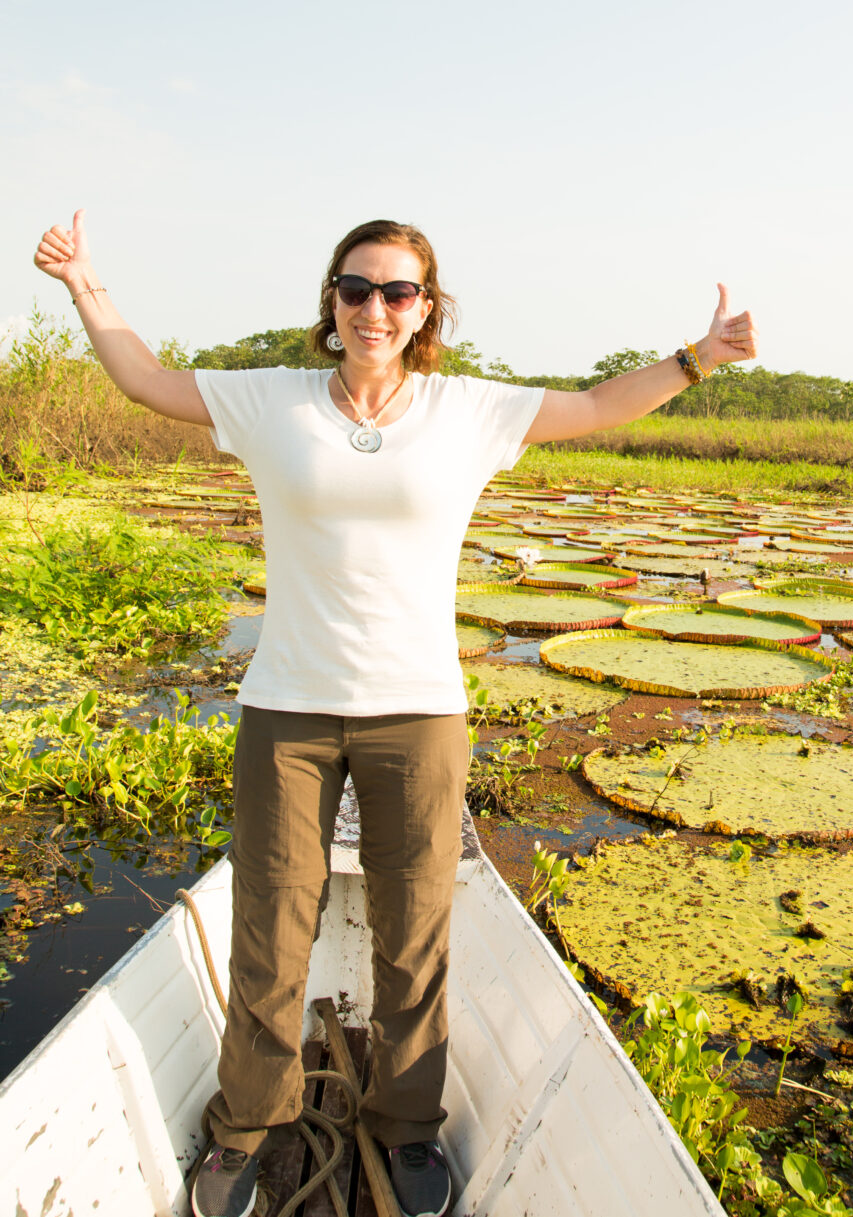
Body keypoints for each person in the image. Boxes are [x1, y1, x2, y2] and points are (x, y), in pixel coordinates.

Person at [34, 210, 757, 1217]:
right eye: (357, 288)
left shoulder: (467, 410)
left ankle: (407, 1123)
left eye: (398, 291)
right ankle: (248, 1121)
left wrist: (697, 358)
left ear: (426, 308)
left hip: (416, 710)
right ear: (331, 303)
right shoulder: (270, 400)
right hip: (285, 705)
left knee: (415, 926)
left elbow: (596, 405)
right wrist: (85, 284)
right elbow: (143, 380)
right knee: (268, 924)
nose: (376, 307)